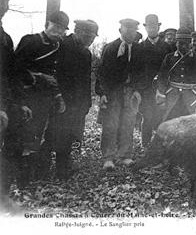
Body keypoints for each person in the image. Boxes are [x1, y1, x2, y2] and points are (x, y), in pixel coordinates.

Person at [13, 11, 69, 181]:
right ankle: (20, 180)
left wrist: (58, 95)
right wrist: (37, 77)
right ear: (47, 24)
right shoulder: (30, 41)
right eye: (55, 26)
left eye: (62, 29)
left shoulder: (57, 47)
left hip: (45, 99)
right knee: (24, 136)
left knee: (38, 136)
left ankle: (32, 176)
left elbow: (54, 76)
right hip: (27, 96)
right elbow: (14, 70)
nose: (58, 31)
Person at [54, 20, 98, 179]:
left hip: (79, 103)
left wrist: (87, 102)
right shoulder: (62, 45)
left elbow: (86, 79)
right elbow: (56, 74)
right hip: (62, 100)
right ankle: (55, 169)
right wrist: (59, 97)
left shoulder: (86, 53)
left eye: (93, 38)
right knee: (58, 134)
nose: (91, 41)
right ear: (78, 31)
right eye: (88, 37)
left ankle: (67, 165)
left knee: (73, 135)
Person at [0, 0, 32, 212]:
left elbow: (11, 74)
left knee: (14, 147)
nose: (3, 7)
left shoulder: (5, 38)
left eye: (5, 3)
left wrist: (20, 103)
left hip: (7, 103)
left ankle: (2, 196)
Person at [99, 18, 144, 170]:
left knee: (128, 123)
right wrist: (103, 93)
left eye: (133, 31)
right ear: (120, 31)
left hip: (130, 91)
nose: (130, 33)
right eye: (127, 30)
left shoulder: (139, 50)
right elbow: (102, 73)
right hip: (113, 91)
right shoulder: (110, 48)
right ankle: (108, 158)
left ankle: (125, 155)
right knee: (111, 124)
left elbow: (141, 73)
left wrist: (137, 90)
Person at [156, 28, 196, 121]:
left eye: (186, 43)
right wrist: (162, 94)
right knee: (171, 123)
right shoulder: (169, 58)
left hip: (192, 97)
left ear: (190, 43)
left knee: (193, 124)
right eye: (180, 43)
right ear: (176, 43)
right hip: (172, 96)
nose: (183, 46)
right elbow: (162, 77)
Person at [139, 14, 171, 147]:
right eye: (149, 26)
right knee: (147, 116)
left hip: (163, 88)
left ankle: (160, 145)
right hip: (146, 88)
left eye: (154, 26)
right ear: (146, 28)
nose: (152, 29)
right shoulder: (140, 47)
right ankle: (145, 144)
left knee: (162, 116)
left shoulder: (167, 47)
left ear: (158, 27)